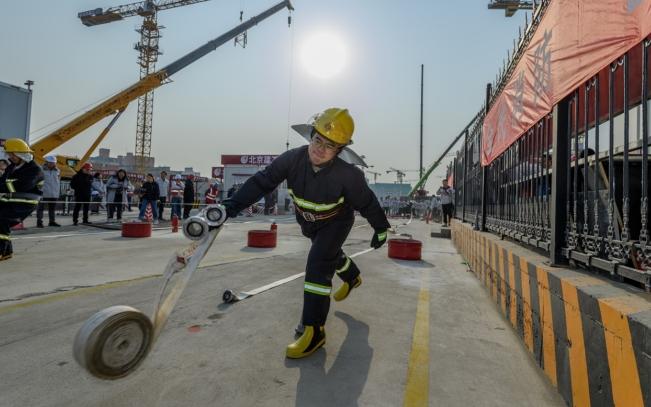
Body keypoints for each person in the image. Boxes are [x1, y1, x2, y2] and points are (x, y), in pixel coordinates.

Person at [222, 108, 390, 359]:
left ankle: (314, 331)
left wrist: (380, 228)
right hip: (309, 221)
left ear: (339, 151)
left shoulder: (349, 175)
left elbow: (367, 202)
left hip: (336, 222)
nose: (320, 149)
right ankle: (352, 276)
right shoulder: (291, 159)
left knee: (318, 264)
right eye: (317, 140)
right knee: (327, 255)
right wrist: (231, 206)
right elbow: (262, 181)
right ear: (310, 136)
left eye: (330, 146)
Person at [0, 139, 43, 261]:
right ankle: (6, 252)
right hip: (11, 199)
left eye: (12, 154)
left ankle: (2, 251)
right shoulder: (12, 167)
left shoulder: (35, 169)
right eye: (9, 154)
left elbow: (23, 186)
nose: (10, 157)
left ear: (20, 154)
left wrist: (4, 187)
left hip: (25, 203)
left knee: (2, 220)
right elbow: (3, 182)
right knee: (2, 221)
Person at [36, 155, 61, 228]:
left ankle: (52, 221)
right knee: (40, 208)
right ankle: (39, 222)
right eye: (51, 163)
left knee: (52, 209)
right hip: (43, 192)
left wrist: (57, 192)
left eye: (54, 163)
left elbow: (58, 181)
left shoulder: (58, 171)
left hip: (54, 193)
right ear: (46, 162)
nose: (52, 164)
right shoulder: (40, 170)